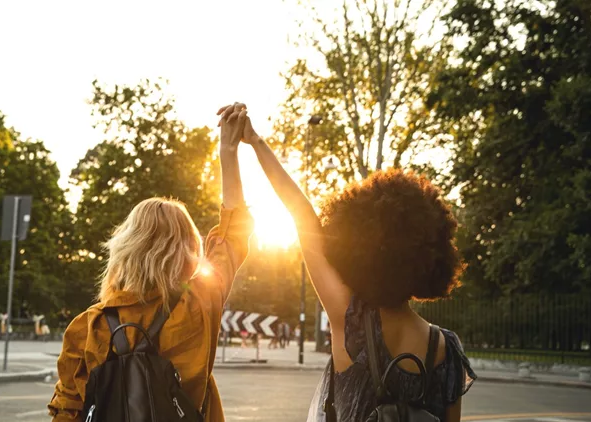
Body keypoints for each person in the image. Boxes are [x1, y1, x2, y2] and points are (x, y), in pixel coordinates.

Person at [218, 103, 475, 422]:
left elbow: (301, 214)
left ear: (361, 253)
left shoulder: (349, 320)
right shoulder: (447, 348)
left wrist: (254, 143)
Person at [48, 105, 253, 421]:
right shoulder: (198, 303)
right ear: (187, 250)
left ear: (126, 248)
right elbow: (235, 230)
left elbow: (67, 411)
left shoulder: (87, 327)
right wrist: (228, 150)